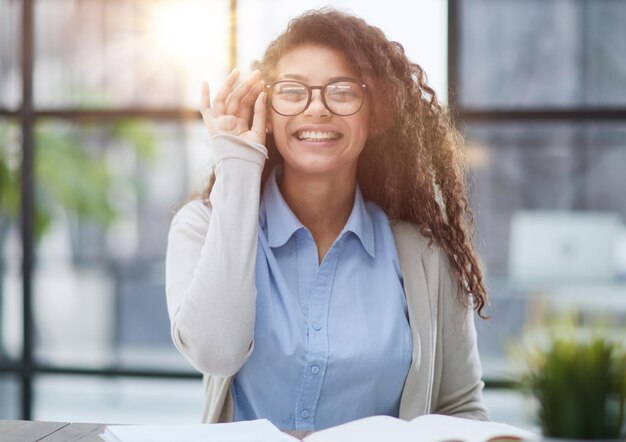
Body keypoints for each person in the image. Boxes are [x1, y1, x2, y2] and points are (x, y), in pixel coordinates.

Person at [165, 8, 489, 431]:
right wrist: (238, 163)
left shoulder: (424, 255)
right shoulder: (202, 228)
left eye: (341, 91)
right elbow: (215, 353)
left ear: (375, 114)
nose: (316, 109)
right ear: (266, 110)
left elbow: (461, 407)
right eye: (292, 91)